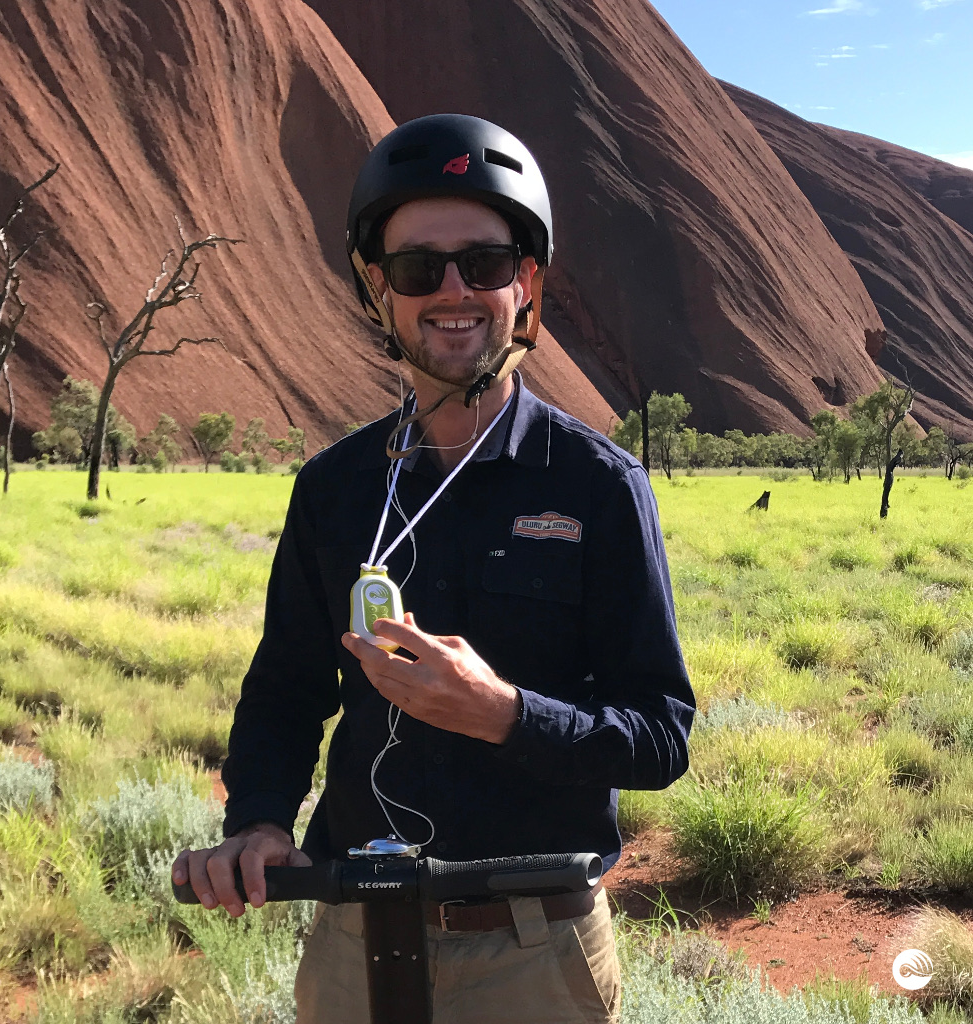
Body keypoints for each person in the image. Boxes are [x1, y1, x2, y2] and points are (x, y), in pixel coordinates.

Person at [173, 113, 694, 1024]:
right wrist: (257, 819)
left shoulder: (597, 487)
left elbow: (661, 732)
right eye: (419, 269)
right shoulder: (334, 489)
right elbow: (288, 688)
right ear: (381, 289)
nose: (453, 290)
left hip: (536, 947)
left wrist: (504, 715)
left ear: (525, 282)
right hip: (353, 943)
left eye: (486, 264)